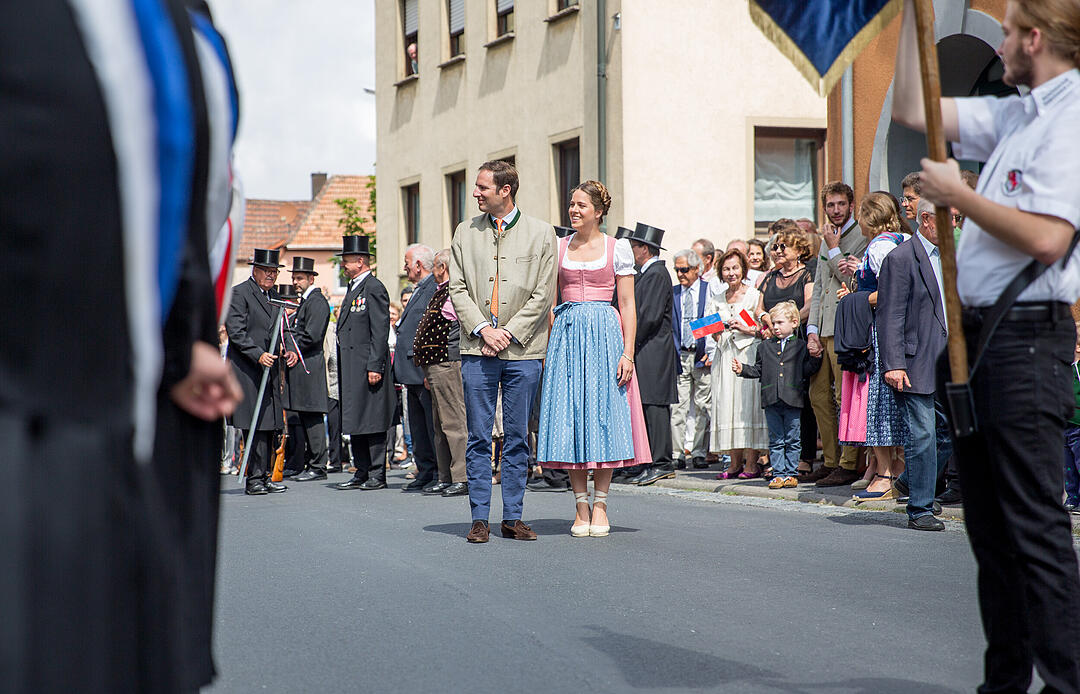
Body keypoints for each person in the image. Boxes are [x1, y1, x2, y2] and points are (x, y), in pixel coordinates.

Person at [896, 0, 1080, 686]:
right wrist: (907, 16)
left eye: (1006, 31)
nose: (998, 41)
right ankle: (1003, 680)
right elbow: (917, 110)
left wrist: (958, 196)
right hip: (977, 342)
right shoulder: (1018, 112)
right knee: (992, 536)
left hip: (1027, 340)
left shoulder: (1071, 116)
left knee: (1033, 531)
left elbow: (1048, 236)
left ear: (1035, 38)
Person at [449, 160, 557, 543]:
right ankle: (480, 517)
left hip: (524, 350)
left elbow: (544, 295)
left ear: (505, 190)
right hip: (477, 349)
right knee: (478, 436)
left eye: (482, 188)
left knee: (517, 436)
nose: (475, 193)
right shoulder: (464, 233)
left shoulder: (542, 234)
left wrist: (507, 333)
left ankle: (512, 516)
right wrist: (483, 329)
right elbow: (457, 289)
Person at [536, 181, 651, 537]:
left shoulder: (618, 249)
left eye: (581, 205)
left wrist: (627, 353)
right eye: (571, 204)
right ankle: (580, 504)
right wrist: (553, 342)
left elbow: (628, 303)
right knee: (570, 417)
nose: (574, 210)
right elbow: (548, 301)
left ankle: (600, 503)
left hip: (605, 334)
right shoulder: (558, 247)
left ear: (599, 212)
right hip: (568, 337)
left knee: (604, 416)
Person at [877, 198, 954, 531]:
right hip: (913, 361)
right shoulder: (901, 258)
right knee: (922, 435)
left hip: (949, 361)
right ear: (927, 219)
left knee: (952, 432)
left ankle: (912, 481)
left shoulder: (951, 255)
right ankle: (920, 508)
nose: (956, 225)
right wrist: (893, 363)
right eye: (951, 218)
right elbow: (890, 315)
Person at [836, 194, 911, 499]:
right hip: (900, 333)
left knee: (878, 405)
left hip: (880, 333)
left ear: (869, 218)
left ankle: (885, 474)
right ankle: (895, 468)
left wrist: (855, 300)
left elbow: (891, 292)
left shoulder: (881, 246)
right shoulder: (904, 238)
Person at [802, 182, 868, 487]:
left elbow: (849, 278)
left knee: (845, 399)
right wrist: (811, 330)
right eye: (830, 205)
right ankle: (829, 460)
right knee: (819, 397)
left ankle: (849, 462)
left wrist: (832, 245)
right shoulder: (826, 237)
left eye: (841, 204)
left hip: (845, 329)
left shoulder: (861, 236)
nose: (836, 210)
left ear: (851, 206)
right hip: (823, 329)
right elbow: (818, 287)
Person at [733, 301, 820, 489]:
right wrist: (742, 369)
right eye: (773, 323)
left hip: (793, 398)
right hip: (771, 399)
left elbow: (807, 370)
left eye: (780, 323)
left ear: (795, 323)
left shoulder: (800, 346)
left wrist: (816, 358)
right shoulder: (764, 347)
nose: (776, 327)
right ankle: (779, 474)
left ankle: (791, 473)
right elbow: (758, 370)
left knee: (793, 438)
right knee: (776, 439)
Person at [333, 235, 396, 491]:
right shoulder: (353, 287)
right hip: (352, 367)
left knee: (371, 419)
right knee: (356, 419)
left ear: (360, 261)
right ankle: (361, 470)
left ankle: (376, 473)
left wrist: (375, 365)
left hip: (367, 366)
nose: (343, 267)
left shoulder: (374, 287)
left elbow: (379, 330)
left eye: (346, 262)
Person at [226, 249, 291, 495]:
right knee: (253, 425)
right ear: (255, 270)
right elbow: (237, 331)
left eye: (274, 272)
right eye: (267, 271)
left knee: (269, 424)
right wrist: (258, 354)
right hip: (248, 370)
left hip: (270, 368)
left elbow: (281, 329)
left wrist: (287, 349)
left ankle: (263, 476)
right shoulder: (240, 293)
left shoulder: (274, 296)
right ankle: (253, 478)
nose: (271, 276)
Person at [623, 223, 680, 486]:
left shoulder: (657, 273)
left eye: (634, 246)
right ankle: (648, 462)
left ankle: (661, 462)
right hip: (647, 350)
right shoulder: (647, 273)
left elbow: (649, 315)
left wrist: (629, 339)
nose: (632, 251)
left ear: (644, 249)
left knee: (656, 407)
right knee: (646, 406)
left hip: (654, 351)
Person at [413, 249, 470, 497]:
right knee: (439, 424)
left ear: (442, 267)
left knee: (454, 422)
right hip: (435, 365)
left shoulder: (454, 292)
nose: (432, 270)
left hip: (447, 362)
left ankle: (461, 477)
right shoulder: (440, 292)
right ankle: (445, 475)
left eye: (435, 266)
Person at [708, 249, 768, 478]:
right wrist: (717, 329)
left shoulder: (754, 294)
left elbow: (764, 329)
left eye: (735, 268)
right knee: (727, 406)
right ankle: (733, 464)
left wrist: (747, 328)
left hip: (747, 355)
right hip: (724, 356)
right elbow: (710, 331)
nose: (731, 273)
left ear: (743, 269)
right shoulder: (715, 299)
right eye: (726, 269)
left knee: (747, 406)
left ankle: (752, 464)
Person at [394, 244, 440, 492]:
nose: (405, 267)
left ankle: (436, 472)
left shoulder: (432, 288)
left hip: (422, 369)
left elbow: (431, 330)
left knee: (430, 425)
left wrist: (427, 369)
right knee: (418, 425)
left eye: (407, 262)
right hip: (411, 370)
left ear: (419, 265)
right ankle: (425, 469)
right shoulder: (420, 288)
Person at [282, 257, 332, 481]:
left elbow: (311, 335)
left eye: (299, 278)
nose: (295, 282)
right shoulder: (306, 301)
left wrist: (294, 348)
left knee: (312, 416)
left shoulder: (317, 301)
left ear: (311, 278)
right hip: (302, 365)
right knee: (304, 415)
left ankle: (318, 465)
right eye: (294, 277)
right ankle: (310, 461)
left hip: (309, 364)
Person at [670, 249, 712, 470]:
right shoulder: (674, 292)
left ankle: (698, 452)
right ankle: (677, 453)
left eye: (684, 269)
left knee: (703, 405)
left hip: (701, 354)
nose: (680, 274)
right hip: (681, 354)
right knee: (678, 406)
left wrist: (709, 348)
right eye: (677, 270)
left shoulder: (708, 290)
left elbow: (715, 319)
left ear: (697, 269)